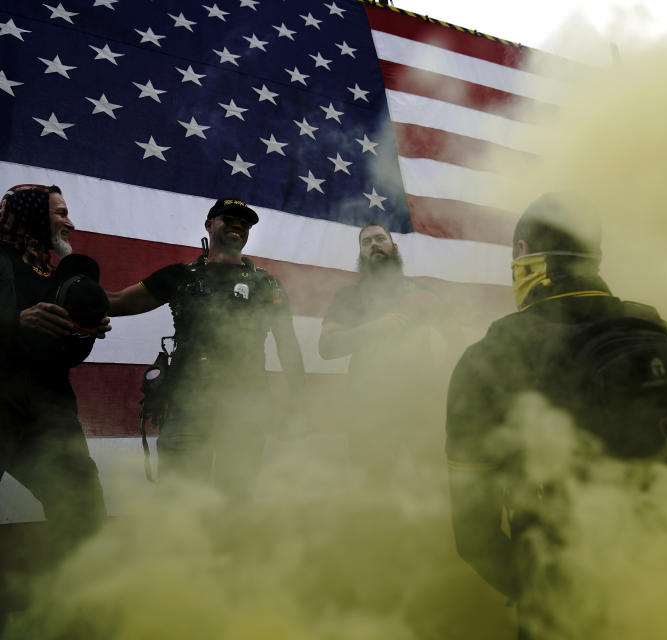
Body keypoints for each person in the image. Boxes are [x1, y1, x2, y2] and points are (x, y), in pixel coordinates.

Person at [445, 194, 667, 639]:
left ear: (522, 255)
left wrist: (540, 592)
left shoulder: (490, 356)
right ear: (595, 256)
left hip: (569, 601)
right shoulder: (661, 330)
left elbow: (475, 536)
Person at [107, 198, 304, 498]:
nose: (239, 224)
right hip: (188, 407)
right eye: (229, 218)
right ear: (209, 225)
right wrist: (70, 295)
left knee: (235, 499)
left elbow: (287, 344)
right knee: (179, 497)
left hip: (246, 408)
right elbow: (121, 302)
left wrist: (299, 403)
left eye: (246, 222)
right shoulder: (180, 276)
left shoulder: (267, 284)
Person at [0, 184, 109, 565]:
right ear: (31, 212)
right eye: (60, 213)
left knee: (81, 509)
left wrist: (84, 331)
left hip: (49, 408)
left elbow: (62, 353)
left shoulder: (51, 272)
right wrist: (14, 320)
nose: (70, 223)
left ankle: (74, 609)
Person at [318, 222, 453, 487]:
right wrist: (376, 328)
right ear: (361, 253)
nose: (374, 245)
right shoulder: (349, 296)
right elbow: (326, 347)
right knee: (370, 492)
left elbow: (457, 342)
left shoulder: (422, 293)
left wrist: (440, 384)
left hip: (423, 408)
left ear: (394, 246)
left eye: (380, 238)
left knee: (434, 486)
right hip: (369, 411)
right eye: (366, 242)